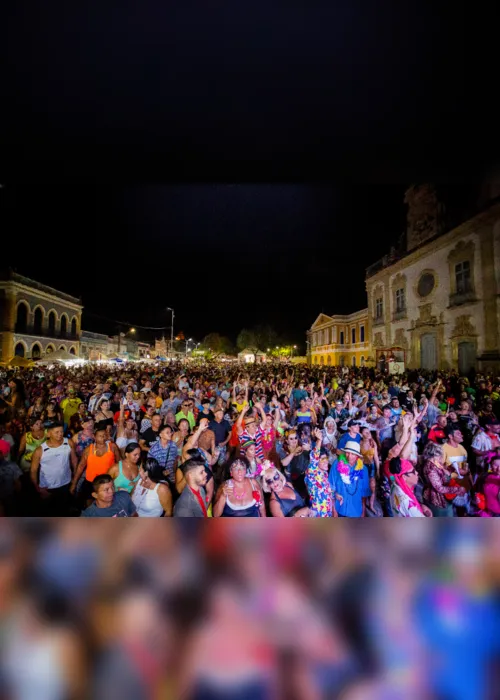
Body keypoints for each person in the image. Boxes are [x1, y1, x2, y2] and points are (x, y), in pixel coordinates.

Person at [30, 421, 77, 515]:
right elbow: (33, 470)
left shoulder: (69, 442)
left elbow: (74, 461)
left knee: (63, 510)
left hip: (65, 484)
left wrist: (74, 480)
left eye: (61, 431)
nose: (60, 434)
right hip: (48, 487)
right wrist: (38, 489)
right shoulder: (40, 450)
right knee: (48, 512)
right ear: (48, 434)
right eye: (57, 432)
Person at [70, 426, 120, 504]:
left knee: (107, 503)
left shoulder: (112, 447)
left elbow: (119, 463)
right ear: (94, 437)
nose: (103, 438)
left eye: (104, 435)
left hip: (107, 483)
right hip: (90, 483)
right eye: (100, 436)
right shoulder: (88, 450)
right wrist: (74, 484)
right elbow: (81, 466)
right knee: (89, 504)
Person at [422, 441, 466, 517]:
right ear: (433, 455)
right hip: (437, 500)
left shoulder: (436, 463)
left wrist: (452, 468)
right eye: (439, 455)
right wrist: (457, 490)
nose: (441, 457)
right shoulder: (430, 469)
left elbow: (443, 471)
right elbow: (439, 488)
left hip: (446, 496)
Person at [329, 441, 368, 517]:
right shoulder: (336, 464)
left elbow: (364, 493)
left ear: (357, 456)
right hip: (339, 509)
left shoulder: (363, 469)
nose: (349, 456)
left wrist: (363, 511)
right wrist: (333, 509)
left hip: (356, 511)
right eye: (347, 453)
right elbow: (330, 487)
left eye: (353, 454)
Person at [305, 428, 336, 517]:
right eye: (322, 460)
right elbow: (314, 458)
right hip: (317, 514)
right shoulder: (312, 473)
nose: (326, 461)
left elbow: (327, 490)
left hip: (328, 512)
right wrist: (319, 440)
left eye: (326, 459)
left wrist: (335, 495)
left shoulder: (325, 474)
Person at [0, 438, 22, 515]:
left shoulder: (12, 466)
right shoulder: (12, 466)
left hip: (9, 497)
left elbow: (18, 484)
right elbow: (18, 484)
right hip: (9, 497)